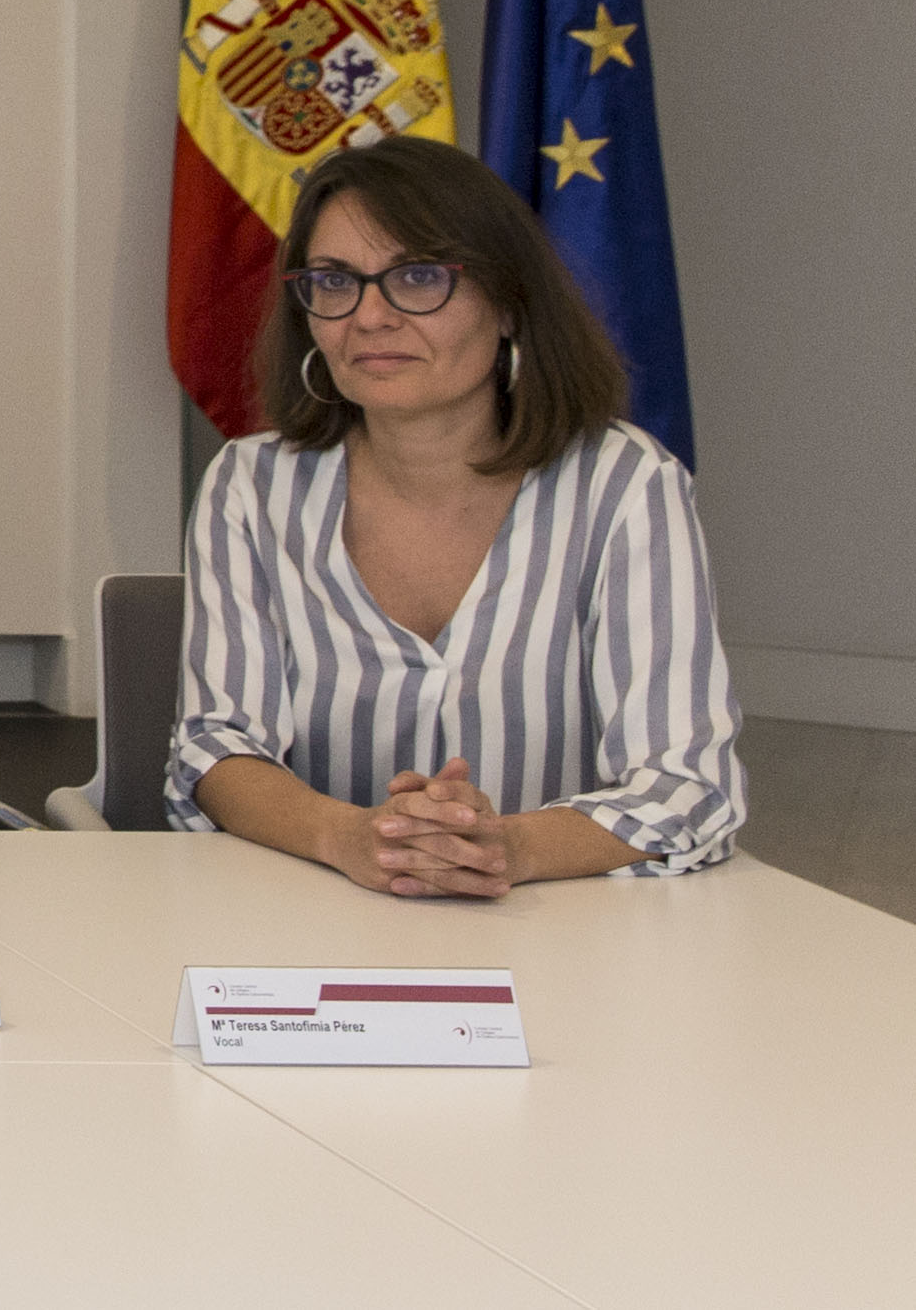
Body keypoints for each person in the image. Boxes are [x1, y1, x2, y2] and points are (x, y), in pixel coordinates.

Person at [169, 132, 742, 888]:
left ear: (507, 304)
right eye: (335, 282)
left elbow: (686, 785)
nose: (370, 316)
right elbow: (216, 749)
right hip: (315, 915)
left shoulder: (624, 483)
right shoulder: (251, 485)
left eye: (417, 277)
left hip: (563, 924)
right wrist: (353, 838)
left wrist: (501, 848)